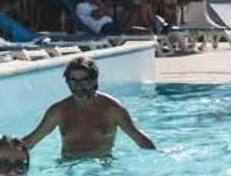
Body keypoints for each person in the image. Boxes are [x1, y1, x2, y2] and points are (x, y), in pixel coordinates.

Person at [22, 57, 158, 158]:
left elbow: (138, 137)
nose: (78, 86)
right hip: (69, 168)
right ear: (68, 83)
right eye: (73, 81)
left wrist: (158, 158)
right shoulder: (59, 111)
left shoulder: (113, 109)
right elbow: (32, 140)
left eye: (84, 81)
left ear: (94, 81)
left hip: (102, 166)